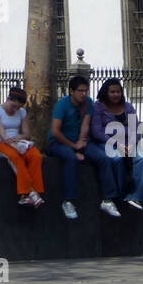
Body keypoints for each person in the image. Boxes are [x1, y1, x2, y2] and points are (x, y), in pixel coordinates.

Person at [46, 75, 124, 220]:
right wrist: (74, 147)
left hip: (79, 142)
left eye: (85, 91)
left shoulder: (88, 103)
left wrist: (81, 142)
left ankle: (108, 199)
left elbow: (85, 124)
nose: (83, 94)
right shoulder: (62, 105)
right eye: (80, 91)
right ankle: (69, 201)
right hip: (59, 143)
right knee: (70, 159)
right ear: (71, 91)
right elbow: (55, 132)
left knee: (104, 158)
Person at [91, 78, 143, 212]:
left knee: (142, 158)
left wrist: (133, 144)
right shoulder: (97, 107)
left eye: (118, 91)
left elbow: (135, 128)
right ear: (106, 92)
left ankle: (135, 197)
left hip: (130, 143)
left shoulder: (128, 107)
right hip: (108, 142)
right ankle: (120, 194)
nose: (116, 94)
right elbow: (97, 132)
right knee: (116, 158)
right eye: (112, 92)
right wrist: (117, 144)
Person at [0, 87, 45, 208]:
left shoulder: (21, 112)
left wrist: (18, 139)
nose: (15, 110)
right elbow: (3, 136)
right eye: (13, 106)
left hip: (17, 142)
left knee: (35, 156)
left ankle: (34, 192)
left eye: (18, 107)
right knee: (15, 157)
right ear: (8, 99)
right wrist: (15, 147)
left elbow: (26, 133)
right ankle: (29, 192)